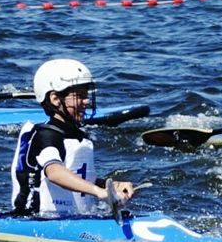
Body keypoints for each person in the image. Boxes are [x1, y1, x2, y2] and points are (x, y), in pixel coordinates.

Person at [9, 58, 135, 216]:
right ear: (55, 99)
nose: (87, 101)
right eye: (79, 96)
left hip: (68, 218)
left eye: (86, 95)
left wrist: (110, 186)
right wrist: (98, 192)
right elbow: (54, 173)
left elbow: (79, 176)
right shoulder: (44, 135)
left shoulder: (79, 137)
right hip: (33, 219)